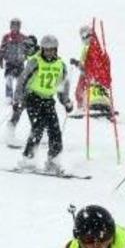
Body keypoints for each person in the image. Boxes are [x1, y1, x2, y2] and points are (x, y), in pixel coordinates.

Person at [13, 35, 74, 174]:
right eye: (46, 50)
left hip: (48, 100)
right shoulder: (35, 62)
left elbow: (63, 86)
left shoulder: (60, 65)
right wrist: (18, 99)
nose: (49, 53)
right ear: (42, 49)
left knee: (55, 132)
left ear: (56, 50)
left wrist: (66, 102)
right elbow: (22, 81)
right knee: (38, 128)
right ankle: (27, 160)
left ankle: (53, 161)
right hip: (33, 99)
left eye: (52, 50)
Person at [70, 25, 113, 118]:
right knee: (79, 92)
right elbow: (86, 66)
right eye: (83, 37)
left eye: (87, 36)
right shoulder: (87, 49)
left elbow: (96, 68)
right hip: (89, 81)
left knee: (83, 91)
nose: (85, 39)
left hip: (94, 84)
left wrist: (90, 75)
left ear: (92, 35)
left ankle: (91, 105)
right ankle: (83, 107)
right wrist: (77, 63)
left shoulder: (96, 49)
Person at [0, 18, 27, 101]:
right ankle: (9, 96)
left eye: (17, 26)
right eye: (13, 26)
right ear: (10, 27)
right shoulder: (6, 37)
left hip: (20, 63)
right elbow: (2, 49)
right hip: (9, 62)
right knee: (9, 79)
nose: (15, 28)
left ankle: (19, 96)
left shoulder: (23, 38)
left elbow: (28, 50)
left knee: (20, 81)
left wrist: (26, 57)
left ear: (19, 27)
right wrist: (0, 59)